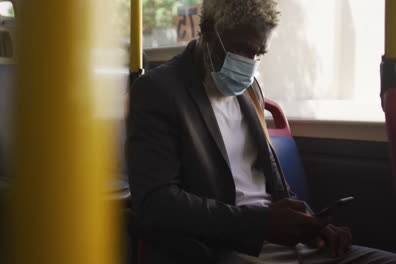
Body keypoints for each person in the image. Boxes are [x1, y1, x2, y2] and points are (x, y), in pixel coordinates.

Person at [126, 0, 396, 263]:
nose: (249, 63)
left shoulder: (249, 89)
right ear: (207, 31)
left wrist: (312, 224)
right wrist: (260, 224)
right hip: (224, 245)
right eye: (242, 50)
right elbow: (156, 203)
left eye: (258, 54)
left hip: (283, 241)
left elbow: (274, 184)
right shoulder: (158, 91)